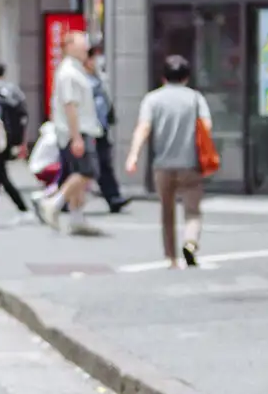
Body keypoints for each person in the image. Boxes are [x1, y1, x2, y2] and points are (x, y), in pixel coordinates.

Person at [125, 51, 213, 267]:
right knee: (193, 211)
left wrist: (133, 155)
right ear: (186, 77)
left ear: (163, 77)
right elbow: (207, 126)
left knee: (167, 213)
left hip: (163, 166)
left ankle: (171, 257)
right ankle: (190, 242)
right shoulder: (195, 98)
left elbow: (143, 127)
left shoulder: (152, 99)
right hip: (190, 164)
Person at [36, 24, 100, 232]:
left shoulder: (73, 70)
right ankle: (54, 202)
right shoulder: (69, 72)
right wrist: (76, 137)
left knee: (79, 173)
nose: (86, 49)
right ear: (69, 45)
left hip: (78, 130)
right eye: (82, 44)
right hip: (77, 131)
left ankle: (76, 218)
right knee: (86, 172)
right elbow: (70, 106)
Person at [0, 57, 31, 214]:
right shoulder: (14, 91)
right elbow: (23, 115)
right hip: (11, 138)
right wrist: (22, 140)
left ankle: (21, 206)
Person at [86, 42, 127, 214]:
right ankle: (60, 198)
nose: (96, 60)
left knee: (103, 163)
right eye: (93, 57)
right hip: (88, 127)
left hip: (99, 127)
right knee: (78, 167)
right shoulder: (81, 78)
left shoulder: (97, 77)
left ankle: (113, 197)